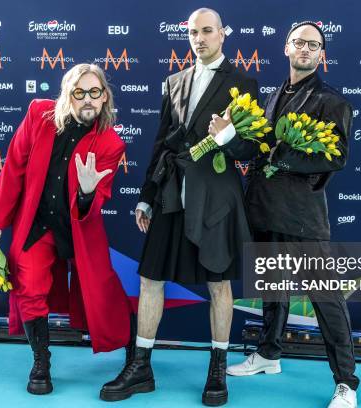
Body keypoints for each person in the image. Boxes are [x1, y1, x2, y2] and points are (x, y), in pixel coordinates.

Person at [100, 8, 258, 407]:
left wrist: (228, 139)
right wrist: (146, 195)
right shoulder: (174, 81)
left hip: (216, 201)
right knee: (151, 279)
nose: (200, 38)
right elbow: (161, 143)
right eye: (193, 32)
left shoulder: (243, 83)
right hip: (171, 193)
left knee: (219, 284)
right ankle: (141, 367)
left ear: (223, 34)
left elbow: (252, 149)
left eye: (207, 31)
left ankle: (218, 369)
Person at [212, 21, 359, 408]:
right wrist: (225, 137)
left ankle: (346, 382)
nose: (305, 49)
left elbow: (337, 156)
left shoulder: (333, 101)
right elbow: (257, 150)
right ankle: (268, 355)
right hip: (262, 208)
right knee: (272, 289)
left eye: (314, 44)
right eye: (299, 43)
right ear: (286, 48)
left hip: (302, 215)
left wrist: (282, 157)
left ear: (322, 54)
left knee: (326, 299)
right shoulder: (271, 95)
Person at [0, 63, 132, 395]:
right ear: (68, 95)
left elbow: (96, 203)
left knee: (102, 292)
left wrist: (89, 191)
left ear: (105, 97)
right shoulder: (39, 116)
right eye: (80, 93)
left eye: (95, 92)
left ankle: (136, 356)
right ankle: (41, 362)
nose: (88, 100)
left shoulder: (110, 143)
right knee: (29, 285)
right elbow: (13, 171)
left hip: (77, 228)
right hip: (38, 225)